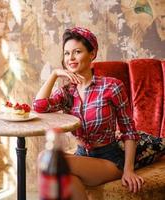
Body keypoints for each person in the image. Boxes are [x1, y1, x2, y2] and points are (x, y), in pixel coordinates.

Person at [33, 27, 165, 200]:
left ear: (92, 53)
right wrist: (54, 74)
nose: (70, 58)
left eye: (77, 52)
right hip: (81, 156)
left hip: (108, 159)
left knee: (45, 157)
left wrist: (128, 170)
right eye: (66, 53)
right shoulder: (67, 91)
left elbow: (129, 131)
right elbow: (39, 106)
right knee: (68, 179)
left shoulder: (111, 86)